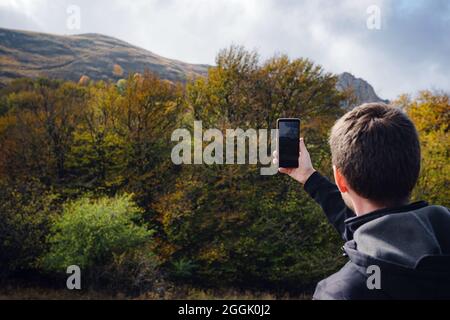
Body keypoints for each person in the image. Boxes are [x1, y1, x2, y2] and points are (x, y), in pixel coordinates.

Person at [273, 103, 450, 300]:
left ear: (340, 180)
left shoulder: (340, 293)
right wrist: (308, 177)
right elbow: (370, 232)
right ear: (415, 170)